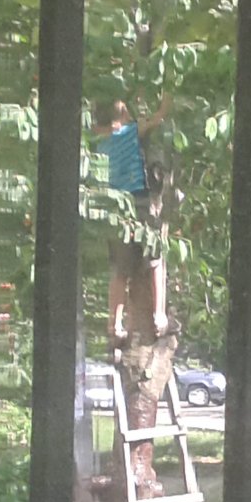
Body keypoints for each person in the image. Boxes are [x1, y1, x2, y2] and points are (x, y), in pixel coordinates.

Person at [95, 94, 171, 344]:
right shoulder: (129, 132)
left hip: (116, 208)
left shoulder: (100, 141)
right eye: (126, 112)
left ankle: (114, 324)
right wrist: (167, 99)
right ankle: (159, 315)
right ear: (121, 118)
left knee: (120, 270)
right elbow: (157, 118)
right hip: (139, 201)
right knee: (156, 259)